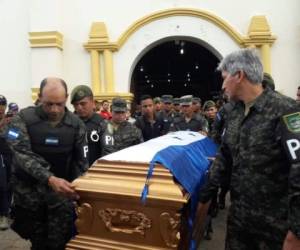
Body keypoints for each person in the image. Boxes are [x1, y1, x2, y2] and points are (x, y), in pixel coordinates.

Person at [197, 49, 300, 250]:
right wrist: (204, 197)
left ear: (239, 75)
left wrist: (296, 233)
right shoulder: (234, 113)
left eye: (225, 78)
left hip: (275, 229)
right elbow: (224, 158)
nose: (222, 85)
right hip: (239, 223)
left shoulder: (286, 111)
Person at [6, 77, 89, 250]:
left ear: (66, 97)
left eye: (59, 104)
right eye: (49, 104)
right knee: (37, 241)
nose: (54, 109)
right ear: (39, 97)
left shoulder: (76, 125)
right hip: (29, 196)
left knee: (60, 242)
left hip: (60, 197)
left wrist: (79, 189)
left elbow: (81, 162)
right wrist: (50, 179)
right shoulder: (21, 119)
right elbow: (21, 153)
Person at [71, 85, 106, 166]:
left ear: (93, 103)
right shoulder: (70, 123)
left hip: (96, 171)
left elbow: (108, 152)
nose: (79, 107)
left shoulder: (102, 123)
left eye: (83, 103)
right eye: (76, 104)